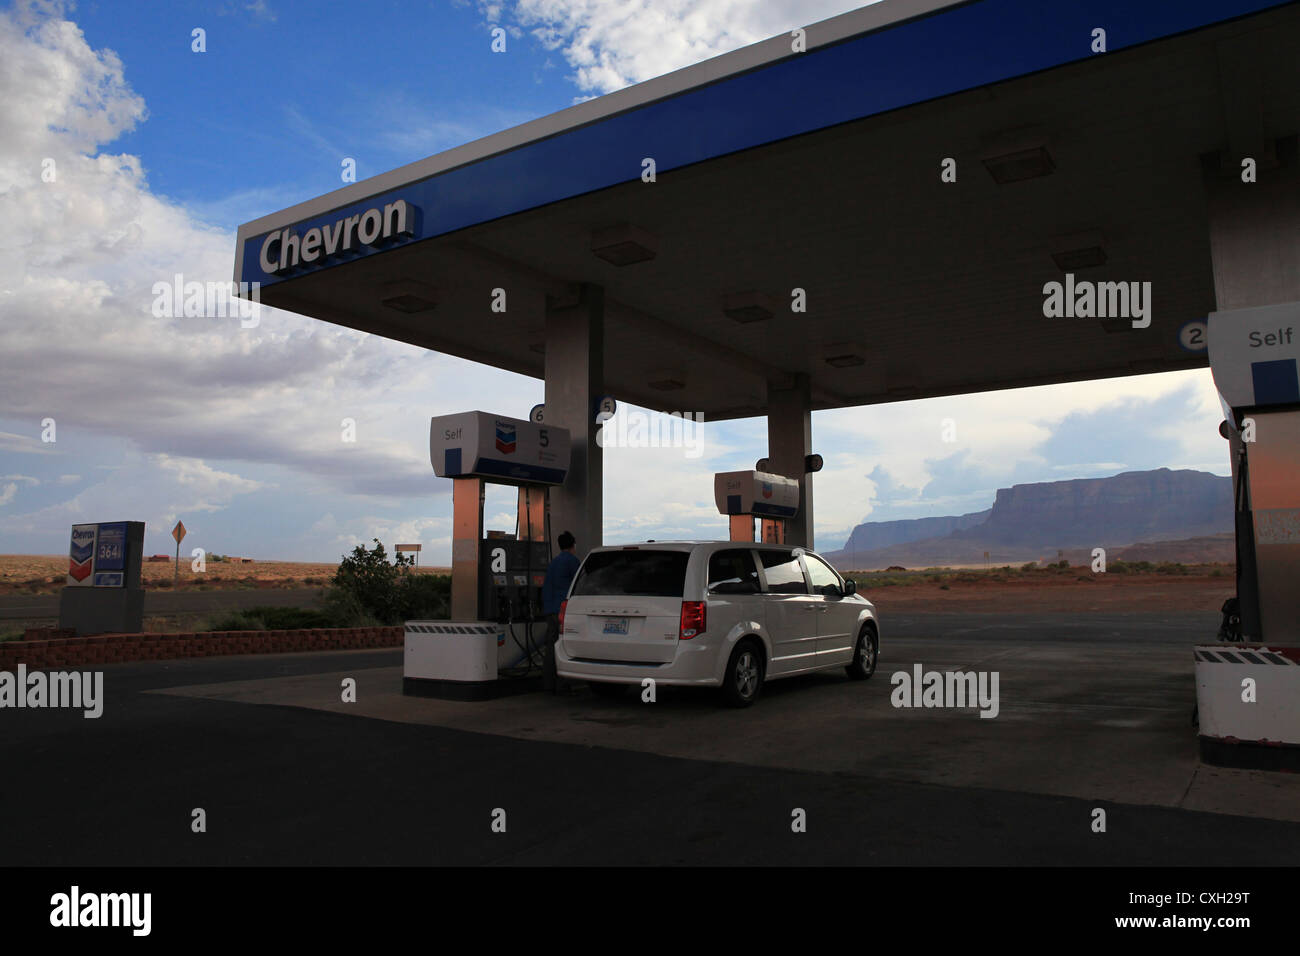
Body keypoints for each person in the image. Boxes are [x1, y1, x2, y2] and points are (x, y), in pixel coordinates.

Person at [541, 531, 580, 692]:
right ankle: (563, 685)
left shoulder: (554, 562)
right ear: (573, 545)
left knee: (551, 648)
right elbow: (581, 582)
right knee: (564, 648)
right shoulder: (572, 561)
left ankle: (549, 685)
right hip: (564, 612)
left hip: (550, 610)